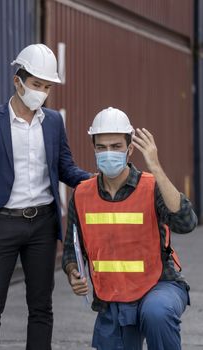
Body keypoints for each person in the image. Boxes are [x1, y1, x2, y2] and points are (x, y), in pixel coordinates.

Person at [0, 43, 90, 350]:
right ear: (18, 81)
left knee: (41, 308)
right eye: (36, 84)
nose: (41, 92)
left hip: (42, 225)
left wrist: (97, 181)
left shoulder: (54, 122)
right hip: (1, 225)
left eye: (46, 86)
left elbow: (66, 168)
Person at [62, 107, 197, 350]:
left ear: (130, 149)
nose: (108, 153)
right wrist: (73, 273)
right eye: (101, 147)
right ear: (93, 148)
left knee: (157, 313)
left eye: (116, 146)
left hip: (159, 285)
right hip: (112, 297)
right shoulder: (82, 194)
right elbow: (72, 251)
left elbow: (186, 223)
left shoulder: (152, 186)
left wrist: (156, 167)